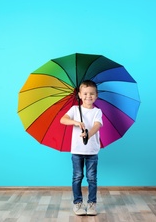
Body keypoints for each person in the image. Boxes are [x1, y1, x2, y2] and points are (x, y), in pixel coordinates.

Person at [60, 80, 103, 216]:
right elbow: (63, 120)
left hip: (92, 151)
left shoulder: (97, 112)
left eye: (91, 94)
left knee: (92, 178)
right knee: (77, 177)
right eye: (85, 93)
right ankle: (77, 203)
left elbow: (97, 125)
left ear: (96, 96)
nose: (88, 96)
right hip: (77, 151)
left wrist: (88, 134)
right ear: (79, 95)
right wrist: (76, 122)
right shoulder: (74, 110)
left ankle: (92, 204)